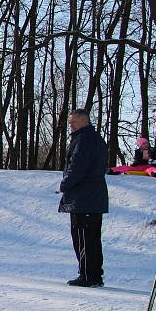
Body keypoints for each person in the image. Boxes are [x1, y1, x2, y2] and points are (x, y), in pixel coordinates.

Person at [58, 109, 109, 287]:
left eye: (73, 122)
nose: (70, 125)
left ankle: (88, 275)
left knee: (83, 237)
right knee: (93, 237)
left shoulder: (84, 139)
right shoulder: (95, 138)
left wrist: (65, 184)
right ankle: (94, 274)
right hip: (93, 197)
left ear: (84, 121)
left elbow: (77, 167)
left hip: (84, 198)